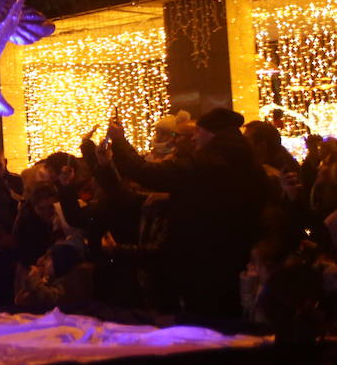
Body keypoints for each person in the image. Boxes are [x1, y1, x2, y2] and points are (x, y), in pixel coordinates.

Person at [108, 107, 269, 319]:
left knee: (203, 328)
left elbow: (146, 173)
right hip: (239, 262)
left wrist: (120, 141)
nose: (194, 138)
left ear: (211, 133)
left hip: (200, 265)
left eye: (198, 132)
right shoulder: (253, 168)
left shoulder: (202, 165)